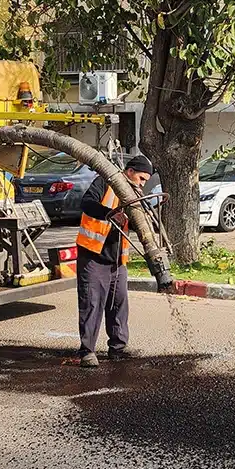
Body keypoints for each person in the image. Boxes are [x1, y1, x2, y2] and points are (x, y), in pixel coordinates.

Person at [74, 154, 153, 368]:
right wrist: (109, 213)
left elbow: (137, 224)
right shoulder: (105, 182)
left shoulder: (134, 194)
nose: (143, 183)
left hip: (117, 260)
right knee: (92, 303)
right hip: (93, 255)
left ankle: (118, 348)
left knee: (119, 303)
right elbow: (87, 203)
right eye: (141, 178)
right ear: (130, 172)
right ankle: (87, 351)